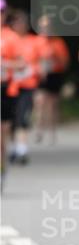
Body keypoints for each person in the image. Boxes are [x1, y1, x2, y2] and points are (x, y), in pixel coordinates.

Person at [7, 10, 41, 164]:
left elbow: (42, 61)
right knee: (11, 120)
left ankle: (22, 149)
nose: (21, 25)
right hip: (10, 85)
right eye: (18, 22)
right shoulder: (8, 39)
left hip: (28, 85)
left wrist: (36, 69)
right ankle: (14, 147)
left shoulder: (34, 41)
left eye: (24, 23)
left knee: (23, 117)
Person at [33, 14, 70, 144]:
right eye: (43, 26)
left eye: (47, 26)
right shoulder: (36, 41)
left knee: (52, 105)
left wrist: (55, 58)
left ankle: (52, 133)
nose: (45, 29)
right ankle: (38, 130)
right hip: (41, 76)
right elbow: (30, 59)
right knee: (40, 102)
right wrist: (38, 67)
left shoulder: (58, 43)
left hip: (55, 75)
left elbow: (65, 63)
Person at [1, 0, 23, 188]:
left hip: (5, 89)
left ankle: (1, 168)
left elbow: (22, 63)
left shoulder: (11, 37)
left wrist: (5, 64)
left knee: (2, 134)